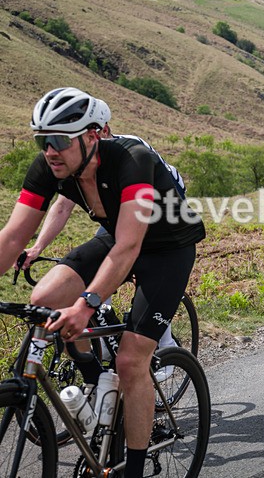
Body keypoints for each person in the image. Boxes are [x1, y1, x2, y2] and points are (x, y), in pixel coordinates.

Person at [0, 87, 205, 478]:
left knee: (130, 360)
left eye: (60, 140)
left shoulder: (133, 159)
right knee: (44, 299)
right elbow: (11, 238)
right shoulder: (50, 166)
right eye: (43, 140)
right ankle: (96, 380)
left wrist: (86, 304)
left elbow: (130, 246)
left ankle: (134, 469)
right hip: (117, 237)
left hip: (168, 248)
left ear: (93, 136)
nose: (50, 151)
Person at [16, 106, 187, 373]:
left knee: (143, 279)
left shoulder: (131, 151)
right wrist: (38, 247)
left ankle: (163, 345)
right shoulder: (76, 161)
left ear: (102, 132)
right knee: (95, 279)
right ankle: (102, 350)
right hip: (118, 221)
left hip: (161, 215)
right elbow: (62, 206)